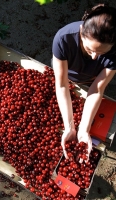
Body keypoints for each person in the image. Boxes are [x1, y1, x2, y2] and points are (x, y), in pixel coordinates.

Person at [52, 4, 116, 160]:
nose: (94, 57)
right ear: (81, 32)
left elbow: (96, 90)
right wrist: (69, 127)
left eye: (102, 52)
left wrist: (83, 129)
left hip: (91, 78)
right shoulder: (63, 39)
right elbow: (61, 85)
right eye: (89, 49)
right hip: (68, 73)